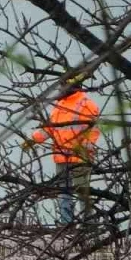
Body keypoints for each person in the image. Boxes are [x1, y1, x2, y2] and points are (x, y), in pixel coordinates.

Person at [22, 72, 100, 225]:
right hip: (61, 157)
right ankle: (67, 226)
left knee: (82, 193)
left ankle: (88, 226)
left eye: (62, 85)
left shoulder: (87, 104)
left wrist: (84, 148)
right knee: (63, 195)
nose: (59, 89)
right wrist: (32, 140)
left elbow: (94, 131)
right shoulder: (60, 105)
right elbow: (50, 128)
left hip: (80, 158)